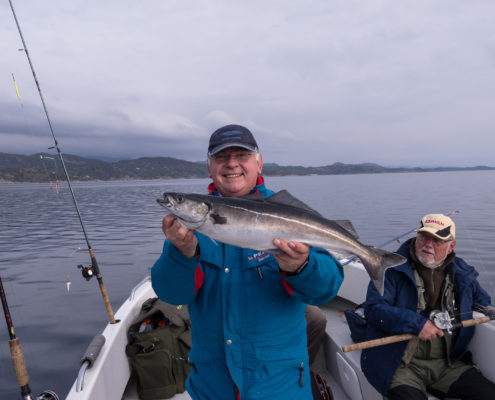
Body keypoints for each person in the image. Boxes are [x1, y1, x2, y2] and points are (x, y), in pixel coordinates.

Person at [151, 124, 343, 400]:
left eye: (241, 155)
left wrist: (302, 267)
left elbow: (326, 288)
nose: (231, 164)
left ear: (259, 162)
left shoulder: (290, 212)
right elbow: (172, 294)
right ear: (209, 167)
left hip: (280, 388)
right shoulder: (189, 232)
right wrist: (181, 254)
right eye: (221, 157)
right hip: (213, 388)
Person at [361, 213, 495, 400]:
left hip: (447, 364)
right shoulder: (389, 268)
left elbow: (479, 298)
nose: (428, 245)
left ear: (451, 247)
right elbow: (374, 309)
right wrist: (416, 324)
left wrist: (488, 309)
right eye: (424, 237)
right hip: (399, 363)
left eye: (437, 240)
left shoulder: (462, 272)